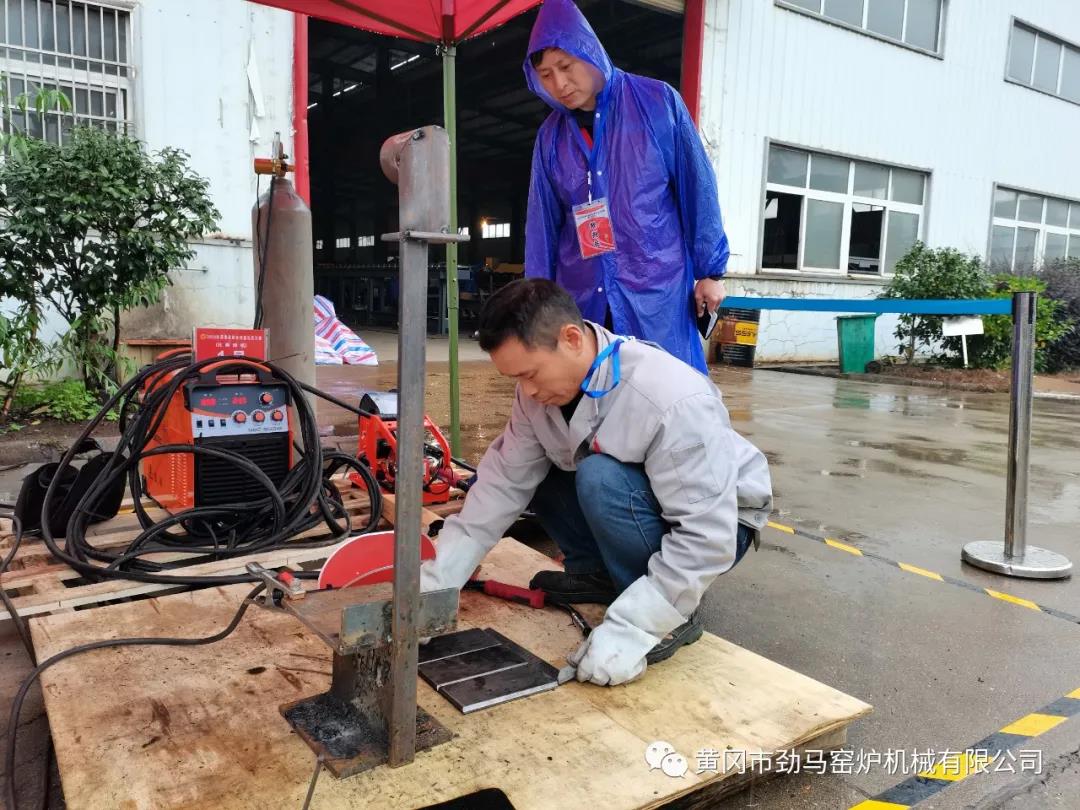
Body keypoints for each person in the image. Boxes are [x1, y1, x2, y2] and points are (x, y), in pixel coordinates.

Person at [421, 279, 772, 686]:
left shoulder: (670, 397)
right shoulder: (536, 394)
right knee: (536, 471)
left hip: (723, 522)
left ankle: (670, 615)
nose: (527, 391)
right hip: (654, 504)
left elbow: (706, 536)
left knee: (600, 475)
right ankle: (601, 576)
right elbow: (501, 485)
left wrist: (633, 629)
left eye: (531, 374)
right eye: (515, 378)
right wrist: (436, 586)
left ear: (571, 338)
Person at [522, 0, 730, 374]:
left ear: (588, 50)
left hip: (655, 289)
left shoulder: (656, 103)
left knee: (666, 390)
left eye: (565, 67)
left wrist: (710, 272)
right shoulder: (550, 136)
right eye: (546, 75)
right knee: (591, 396)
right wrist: (537, 299)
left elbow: (697, 186)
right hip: (582, 297)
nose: (560, 84)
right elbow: (542, 225)